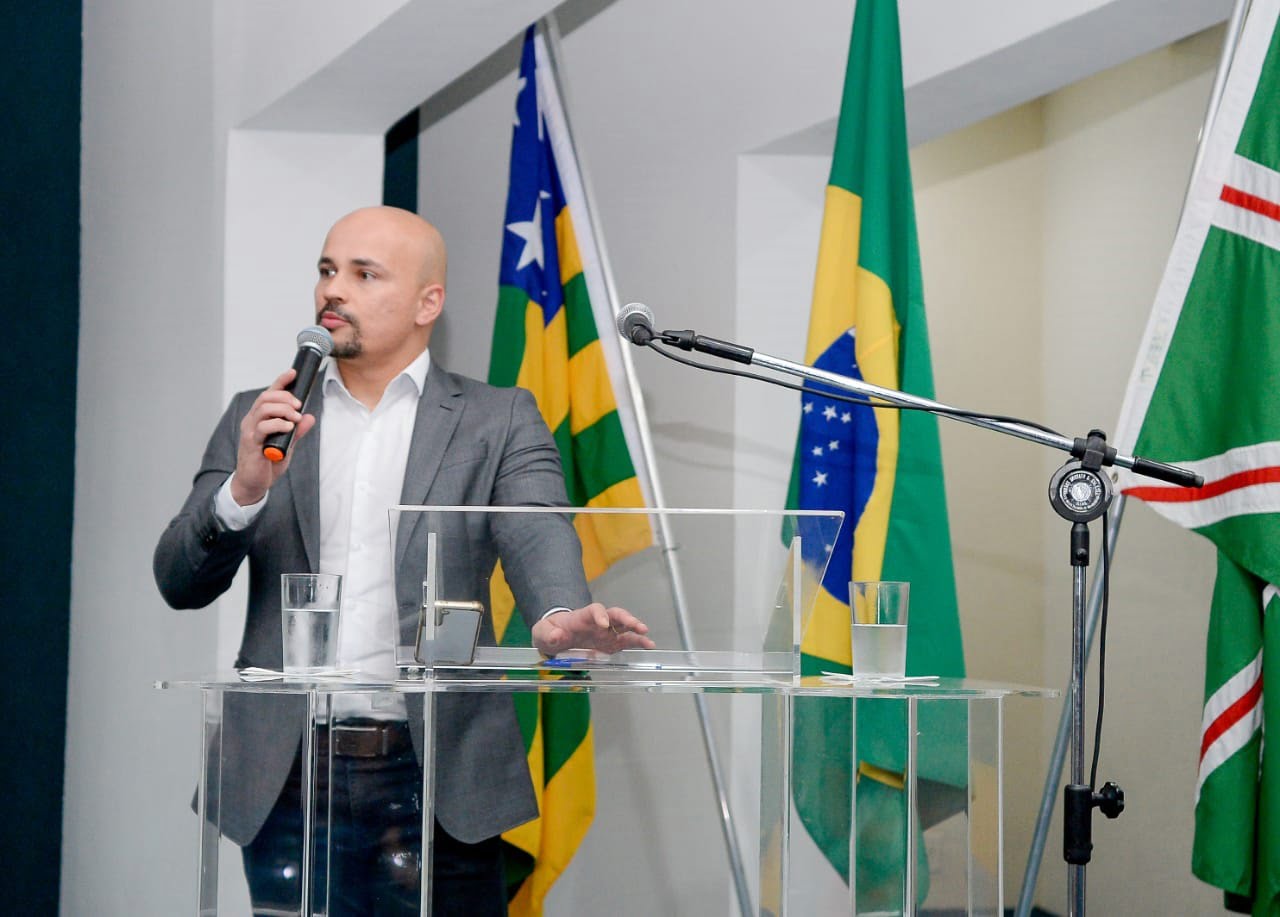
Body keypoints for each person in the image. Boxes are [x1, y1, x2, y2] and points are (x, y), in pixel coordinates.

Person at [153, 205, 654, 916]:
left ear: (428, 302)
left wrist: (559, 614)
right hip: (288, 771)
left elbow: (538, 530)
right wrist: (243, 490)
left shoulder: (497, 419)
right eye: (327, 270)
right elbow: (178, 580)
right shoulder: (259, 416)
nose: (334, 289)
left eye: (364, 274)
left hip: (438, 769)